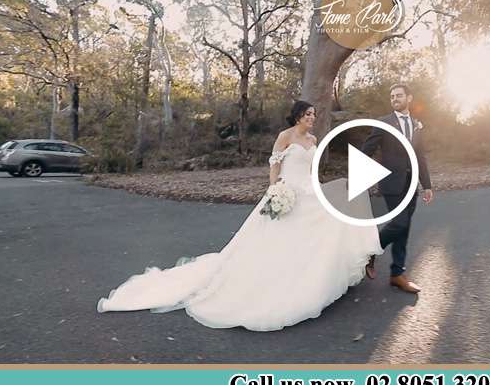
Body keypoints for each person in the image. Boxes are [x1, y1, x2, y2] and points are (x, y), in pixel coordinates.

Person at [97, 101, 382, 331]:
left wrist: (317, 187)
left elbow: (312, 170)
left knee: (331, 221)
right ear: (297, 116)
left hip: (309, 191)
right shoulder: (285, 137)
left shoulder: (314, 139)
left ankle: (332, 271)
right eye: (308, 114)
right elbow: (274, 164)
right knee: (278, 241)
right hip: (287, 191)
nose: (312, 118)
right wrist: (275, 190)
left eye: (314, 115)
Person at [361, 83, 433, 294]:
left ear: (409, 98)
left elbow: (420, 157)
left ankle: (397, 274)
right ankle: (370, 251)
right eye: (392, 96)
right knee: (400, 223)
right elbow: (366, 151)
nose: (394, 98)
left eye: (399, 95)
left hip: (411, 184)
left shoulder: (416, 124)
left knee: (405, 227)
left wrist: (427, 185)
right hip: (391, 183)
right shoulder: (383, 122)